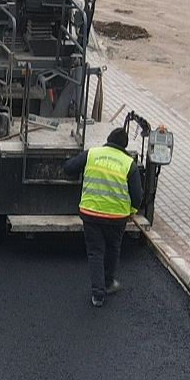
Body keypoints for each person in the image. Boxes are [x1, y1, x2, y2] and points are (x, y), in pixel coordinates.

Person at [63, 127, 144, 307]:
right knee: (113, 248)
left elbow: (68, 168)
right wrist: (132, 210)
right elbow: (137, 195)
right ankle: (108, 282)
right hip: (117, 217)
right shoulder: (128, 163)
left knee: (95, 252)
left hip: (91, 213)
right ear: (124, 145)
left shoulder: (92, 154)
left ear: (108, 139)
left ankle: (98, 295)